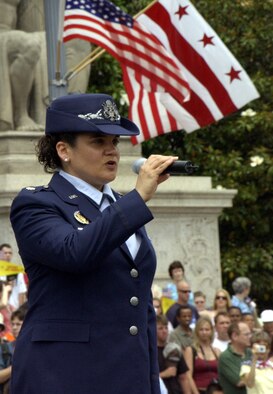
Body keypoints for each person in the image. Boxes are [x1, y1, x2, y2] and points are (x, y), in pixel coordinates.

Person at [9, 93, 180, 394]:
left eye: (114, 142)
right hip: (62, 375)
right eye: (98, 141)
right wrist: (137, 198)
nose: (111, 150)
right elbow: (76, 252)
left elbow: (141, 310)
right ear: (64, 150)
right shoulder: (36, 203)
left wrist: (151, 382)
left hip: (127, 377)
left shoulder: (121, 207)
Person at [184, 316, 221, 394]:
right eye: (201, 329)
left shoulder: (217, 351)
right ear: (197, 331)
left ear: (211, 331)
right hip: (200, 390)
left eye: (207, 329)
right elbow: (188, 376)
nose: (204, 332)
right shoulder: (190, 350)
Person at [156, 314, 190, 394]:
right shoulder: (149, 352)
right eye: (160, 328)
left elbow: (183, 377)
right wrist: (164, 374)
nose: (164, 331)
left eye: (166, 328)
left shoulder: (174, 349)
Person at [218, 322, 252, 394]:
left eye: (250, 333)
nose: (250, 336)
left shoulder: (250, 352)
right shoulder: (226, 357)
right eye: (246, 334)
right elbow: (240, 382)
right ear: (234, 336)